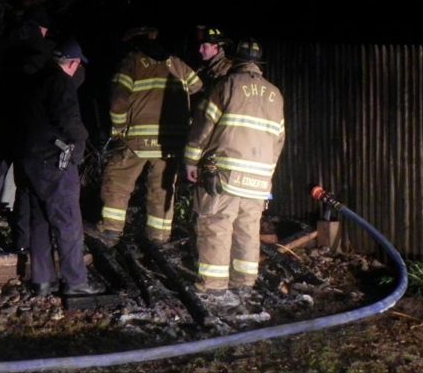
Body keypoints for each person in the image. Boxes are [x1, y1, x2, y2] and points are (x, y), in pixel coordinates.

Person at [183, 38, 286, 294]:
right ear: (258, 64)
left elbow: (203, 127)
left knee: (216, 225)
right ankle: (244, 283)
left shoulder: (226, 85)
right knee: (248, 230)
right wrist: (267, 177)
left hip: (224, 176)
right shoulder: (275, 94)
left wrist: (191, 161)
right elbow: (279, 140)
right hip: (259, 180)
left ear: (237, 61)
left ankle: (213, 286)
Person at [94, 26, 202, 246]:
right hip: (171, 142)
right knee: (162, 189)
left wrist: (117, 129)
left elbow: (118, 101)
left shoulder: (131, 62)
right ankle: (159, 238)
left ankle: (111, 231)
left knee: (118, 181)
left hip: (137, 140)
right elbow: (197, 86)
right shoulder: (177, 64)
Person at [18, 38, 104, 296]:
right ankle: (75, 282)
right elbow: (70, 122)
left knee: (41, 222)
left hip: (31, 162)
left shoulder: (35, 80)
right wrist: (83, 139)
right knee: (68, 222)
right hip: (55, 163)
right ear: (74, 63)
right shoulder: (61, 83)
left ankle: (42, 281)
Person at [0, 7, 54, 253]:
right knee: (26, 182)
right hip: (22, 123)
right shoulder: (41, 49)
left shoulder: (0, 44)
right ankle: (22, 243)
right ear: (42, 29)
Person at [193, 25, 233, 91]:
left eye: (204, 47)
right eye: (200, 46)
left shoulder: (227, 70)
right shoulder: (202, 67)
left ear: (215, 47)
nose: (200, 50)